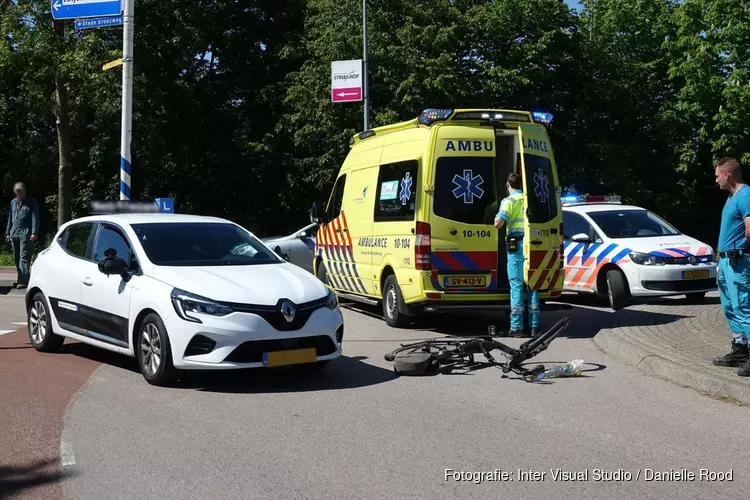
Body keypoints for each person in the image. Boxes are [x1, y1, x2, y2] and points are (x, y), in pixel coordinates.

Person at [712, 157, 750, 376]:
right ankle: (740, 350)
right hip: (726, 261)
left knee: (744, 308)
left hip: (739, 261)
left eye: (717, 176)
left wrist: (742, 251)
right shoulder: (731, 197)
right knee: (730, 308)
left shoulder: (745, 196)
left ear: (727, 175)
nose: (716, 180)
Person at [494, 173, 539, 337]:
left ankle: (517, 327)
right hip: (532, 243)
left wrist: (497, 216)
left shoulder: (509, 201)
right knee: (533, 284)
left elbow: (497, 224)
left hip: (515, 244)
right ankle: (534, 326)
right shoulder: (528, 199)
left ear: (508, 184)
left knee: (516, 284)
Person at [4, 182, 39, 289]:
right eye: (17, 193)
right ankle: (20, 278)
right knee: (16, 257)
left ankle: (24, 281)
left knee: (24, 257)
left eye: (21, 192)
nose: (19, 195)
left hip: (25, 233)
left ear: (24, 192)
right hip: (14, 233)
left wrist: (34, 232)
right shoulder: (13, 202)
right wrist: (8, 232)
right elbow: (11, 218)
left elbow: (35, 217)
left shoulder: (31, 202)